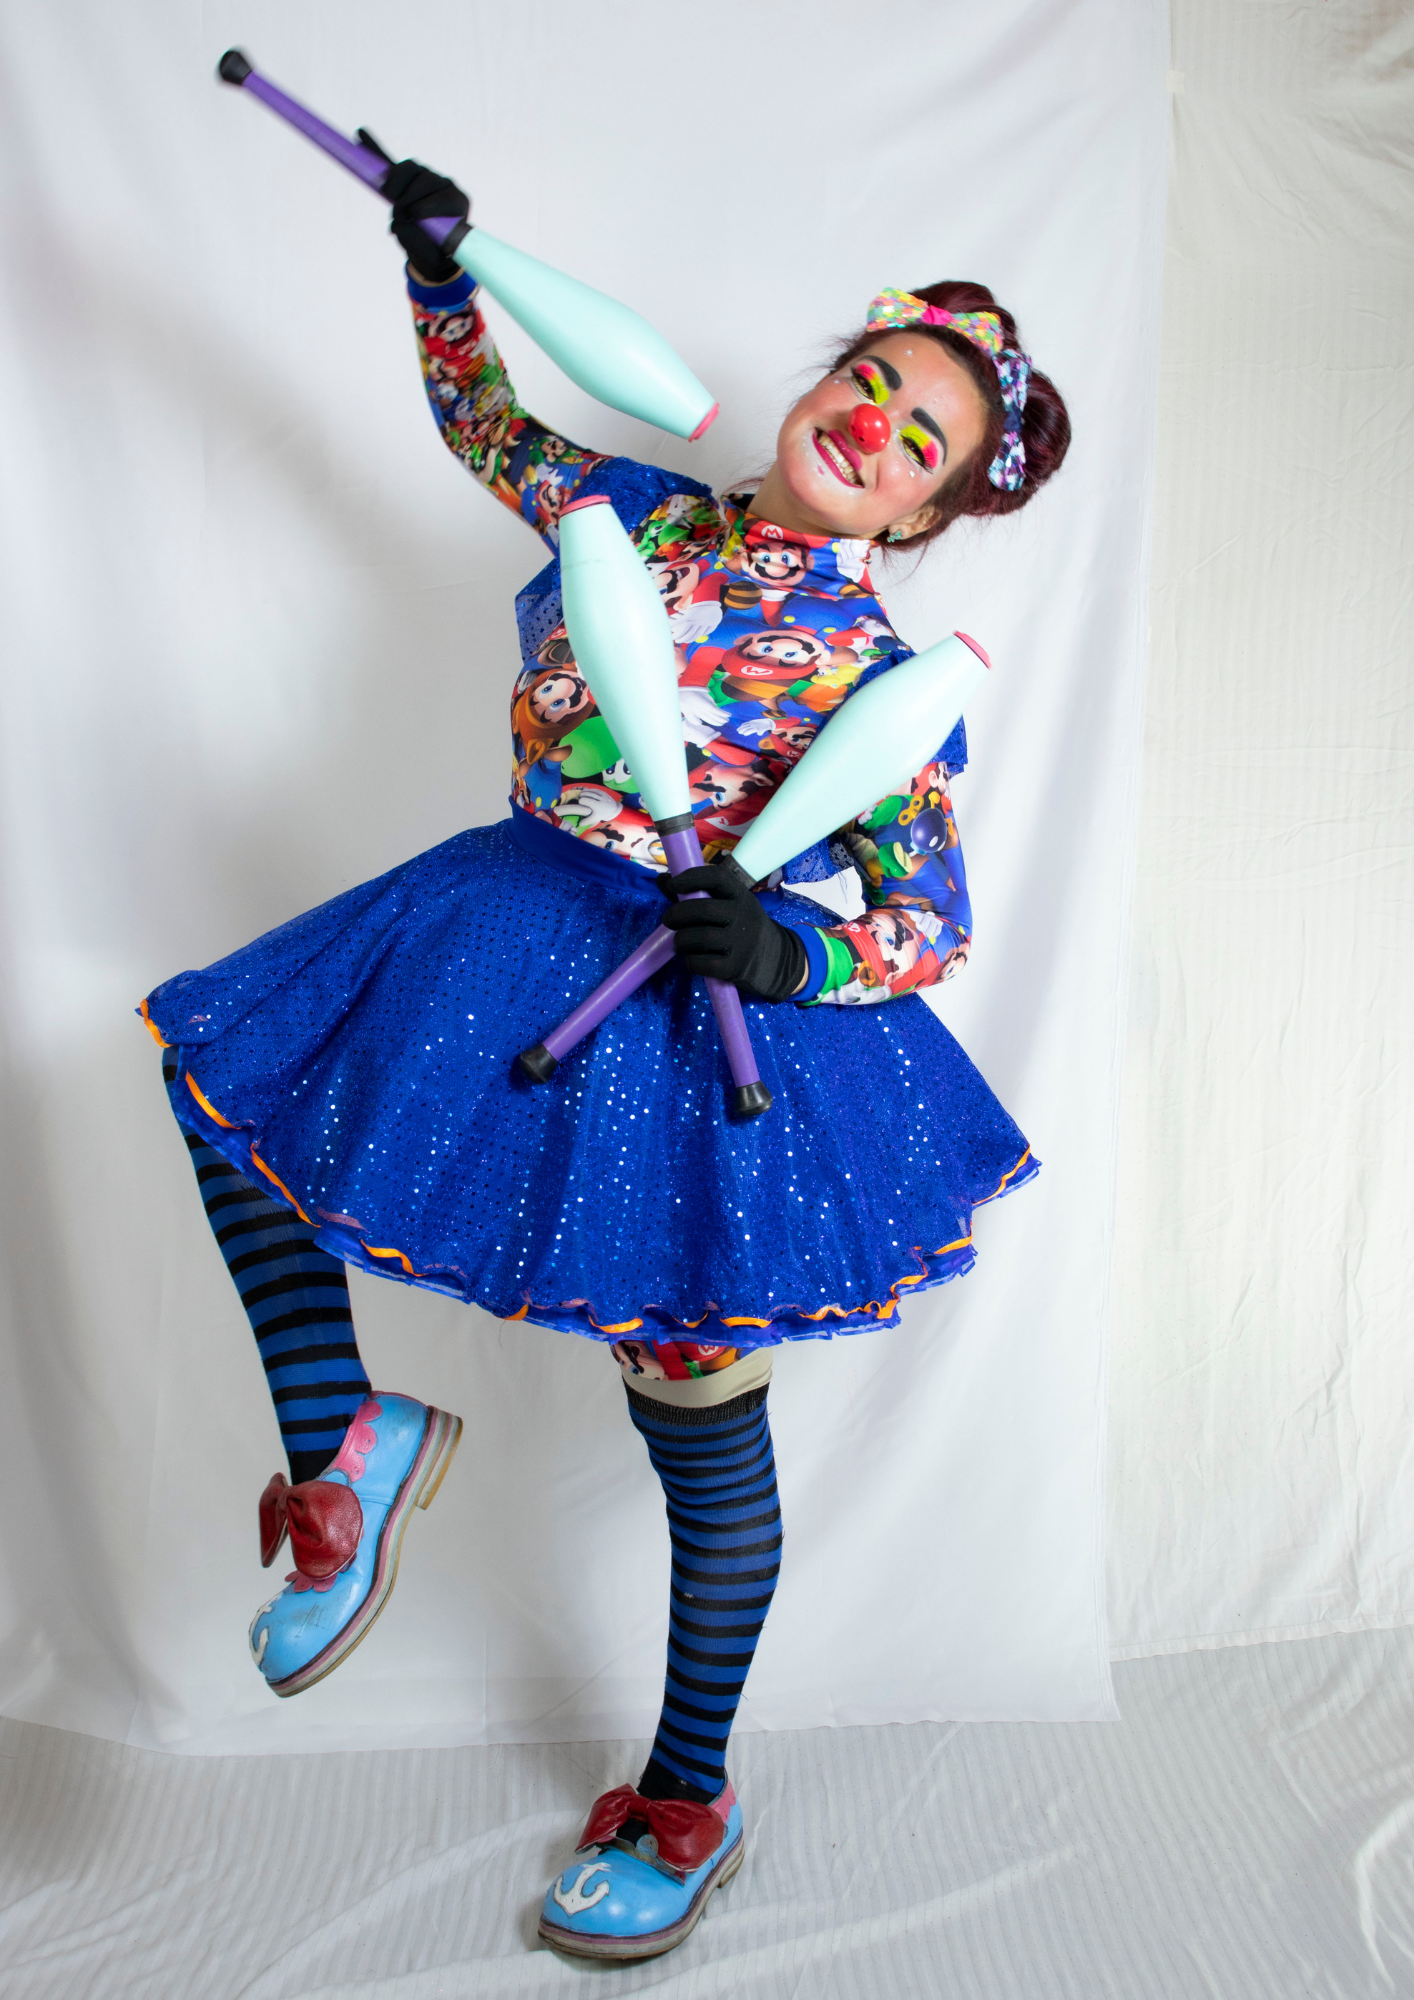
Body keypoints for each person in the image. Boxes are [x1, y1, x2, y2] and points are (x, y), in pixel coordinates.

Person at [139, 157, 1070, 1962]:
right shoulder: (625, 510)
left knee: (696, 1421)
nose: (873, 427)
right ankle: (348, 1432)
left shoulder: (880, 673)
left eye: (922, 441)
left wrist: (793, 949)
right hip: (504, 925)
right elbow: (479, 421)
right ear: (823, 380)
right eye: (869, 381)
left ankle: (689, 1791)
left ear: (934, 507)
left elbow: (927, 919)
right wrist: (442, 272)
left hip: (704, 1029)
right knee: (224, 1086)